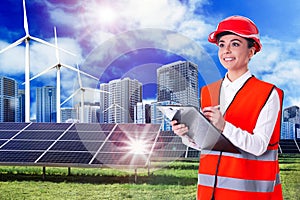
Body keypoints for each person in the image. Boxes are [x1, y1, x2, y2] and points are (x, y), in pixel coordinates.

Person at [171, 15, 284, 200]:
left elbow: (259, 147)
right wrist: (187, 135)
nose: (226, 50)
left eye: (235, 44)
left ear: (251, 51)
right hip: (209, 193)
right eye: (222, 45)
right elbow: (208, 144)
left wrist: (224, 125)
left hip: (249, 194)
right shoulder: (208, 91)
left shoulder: (268, 94)